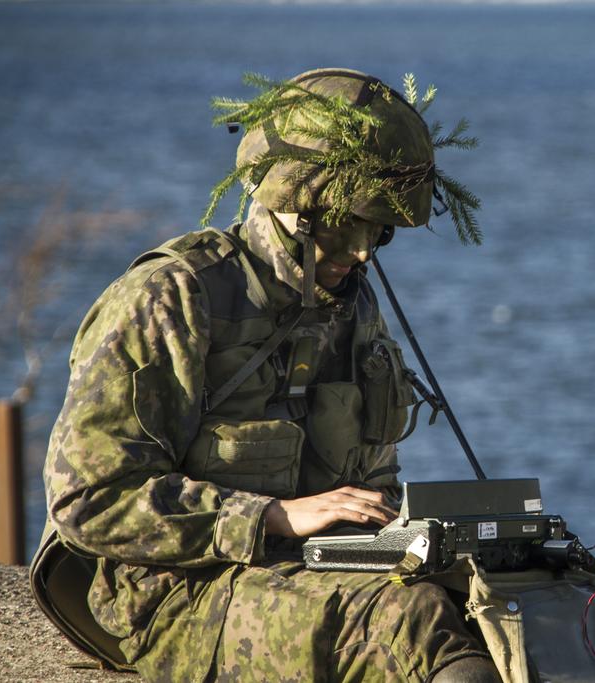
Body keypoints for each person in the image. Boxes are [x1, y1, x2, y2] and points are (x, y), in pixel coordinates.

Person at [35, 68, 500, 682]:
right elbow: (87, 501)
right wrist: (271, 517)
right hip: (170, 594)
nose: (362, 252)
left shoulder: (351, 306)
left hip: (311, 572)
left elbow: (370, 480)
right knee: (407, 627)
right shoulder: (172, 297)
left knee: (521, 607)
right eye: (344, 224)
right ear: (291, 205)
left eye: (378, 232)